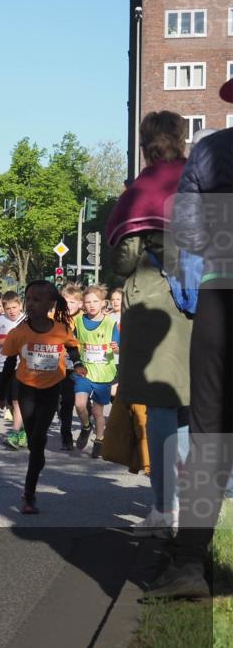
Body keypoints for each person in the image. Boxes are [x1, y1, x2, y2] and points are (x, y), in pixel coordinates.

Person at [147, 80, 233, 599]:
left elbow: (190, 234)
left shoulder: (213, 149)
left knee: (210, 438)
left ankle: (189, 566)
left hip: (224, 294)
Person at [107, 110, 191, 539]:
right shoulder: (201, 179)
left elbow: (122, 260)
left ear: (145, 143)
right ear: (181, 139)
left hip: (155, 303)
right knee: (193, 404)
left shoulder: (142, 189)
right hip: (204, 303)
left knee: (160, 406)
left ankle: (163, 508)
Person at [0, 281, 84, 514]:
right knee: (36, 441)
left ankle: (29, 493)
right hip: (26, 389)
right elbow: (9, 364)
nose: (31, 304)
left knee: (37, 437)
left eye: (37, 300)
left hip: (51, 388)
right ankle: (38, 454)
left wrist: (78, 363)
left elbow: (73, 347)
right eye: (29, 299)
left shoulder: (60, 329)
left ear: (51, 304)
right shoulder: (19, 332)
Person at [72, 285, 119, 459]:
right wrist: (75, 360)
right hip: (85, 370)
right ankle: (86, 426)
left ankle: (99, 439)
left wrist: (116, 348)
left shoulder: (110, 323)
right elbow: (71, 343)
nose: (91, 305)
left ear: (103, 303)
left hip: (104, 373)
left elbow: (118, 348)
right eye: (88, 302)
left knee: (98, 411)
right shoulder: (78, 321)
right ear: (83, 304)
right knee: (79, 404)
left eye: (95, 301)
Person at [0, 291, 26, 449]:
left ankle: (15, 433)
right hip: (3, 365)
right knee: (9, 401)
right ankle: (23, 430)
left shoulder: (26, 320)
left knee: (18, 401)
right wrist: (6, 341)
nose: (12, 311)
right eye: (8, 308)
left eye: (14, 307)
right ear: (2, 308)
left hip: (22, 366)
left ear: (20, 306)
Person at [57, 283, 84, 449]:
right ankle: (66, 438)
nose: (69, 306)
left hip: (81, 365)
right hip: (60, 366)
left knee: (82, 404)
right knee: (66, 403)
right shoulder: (56, 318)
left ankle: (86, 428)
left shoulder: (84, 319)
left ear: (80, 304)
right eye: (65, 302)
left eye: (72, 302)